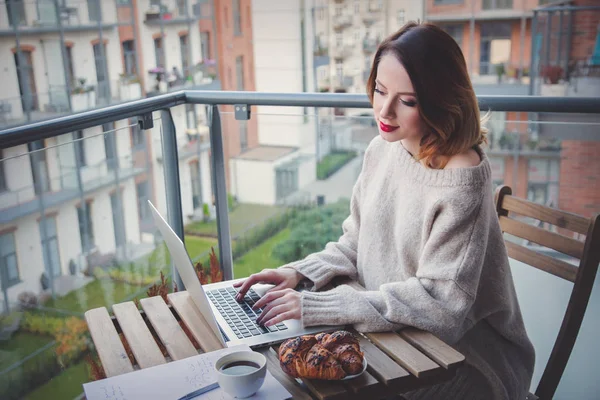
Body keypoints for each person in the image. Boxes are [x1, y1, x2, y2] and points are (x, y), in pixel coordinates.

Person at [234, 22, 535, 399]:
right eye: (379, 90)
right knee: (289, 373)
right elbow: (355, 244)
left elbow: (440, 309)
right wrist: (297, 275)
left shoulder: (463, 180)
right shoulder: (384, 148)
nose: (385, 110)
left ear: (442, 100)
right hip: (394, 334)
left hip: (466, 360)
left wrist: (317, 306)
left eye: (407, 101)